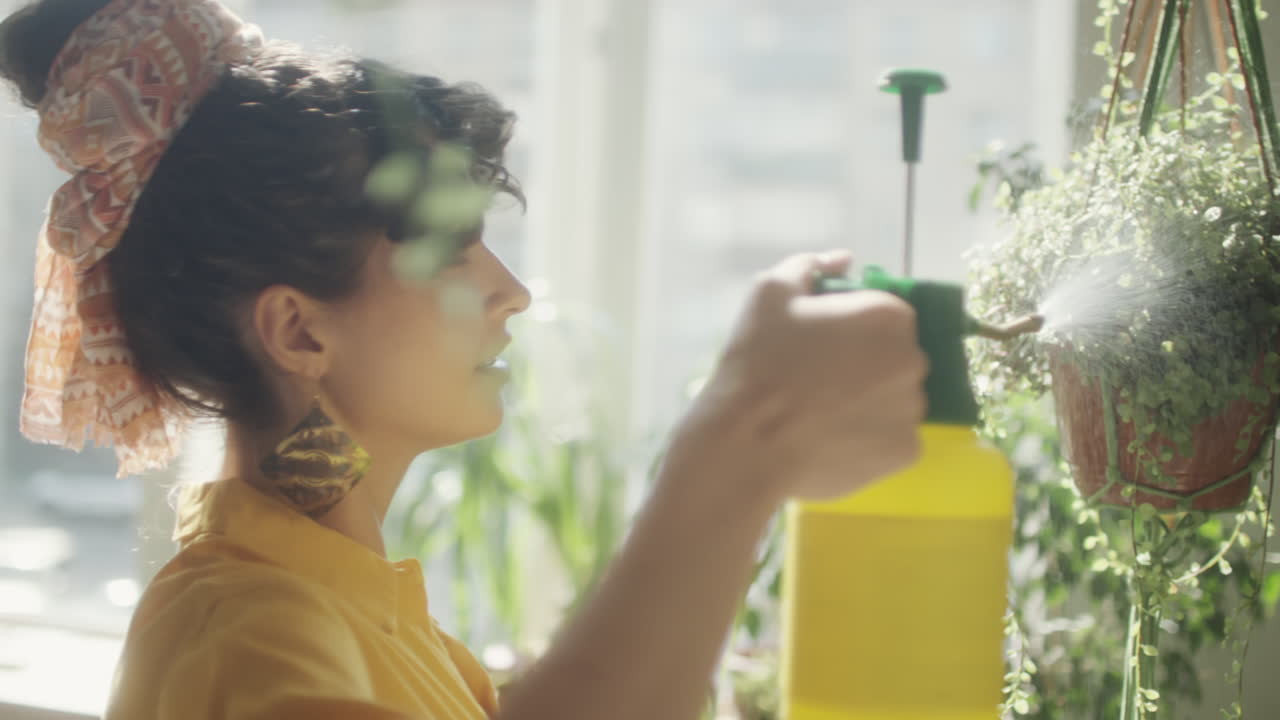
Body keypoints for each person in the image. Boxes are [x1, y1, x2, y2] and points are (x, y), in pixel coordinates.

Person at [0, 1, 927, 718]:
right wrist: (741, 441)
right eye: (452, 247)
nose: (511, 291)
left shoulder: (346, 598)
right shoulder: (252, 632)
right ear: (299, 333)